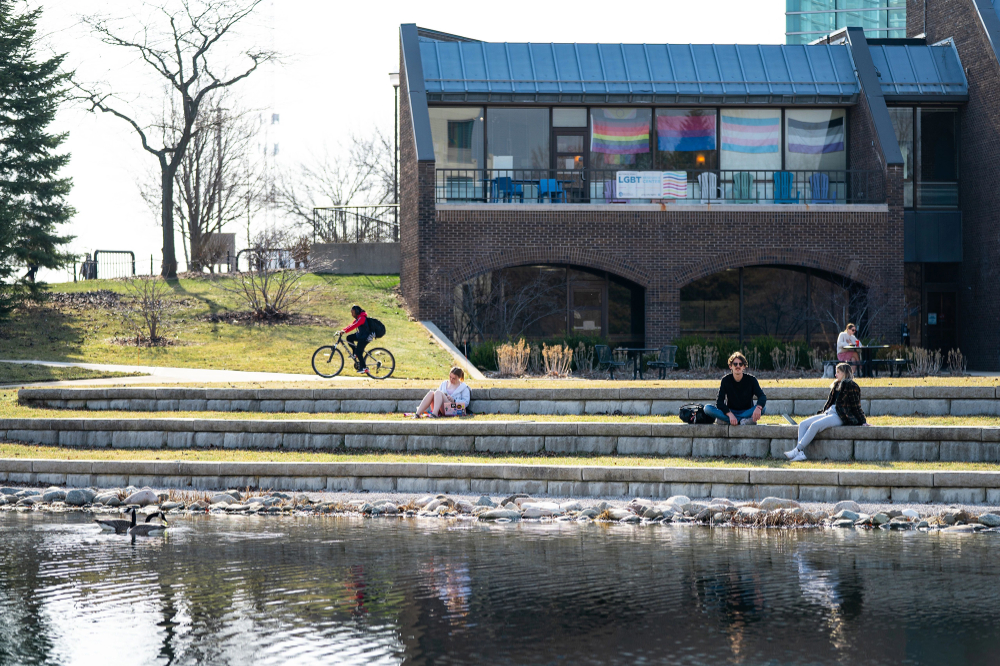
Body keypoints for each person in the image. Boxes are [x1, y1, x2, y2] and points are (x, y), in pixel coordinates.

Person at [785, 362, 867, 462]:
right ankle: (800, 454)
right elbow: (829, 403)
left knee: (815, 425)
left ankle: (797, 450)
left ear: (845, 373)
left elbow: (856, 406)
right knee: (803, 424)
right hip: (829, 412)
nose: (835, 374)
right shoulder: (836, 385)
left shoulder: (851, 385)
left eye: (838, 372)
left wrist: (863, 421)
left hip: (840, 416)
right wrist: (822, 413)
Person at [703, 351, 767, 425]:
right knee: (707, 408)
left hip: (746, 412)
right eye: (735, 364)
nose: (738, 366)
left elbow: (762, 396)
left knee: (763, 408)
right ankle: (743, 421)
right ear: (731, 366)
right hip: (730, 411)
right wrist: (730, 414)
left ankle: (729, 421)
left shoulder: (751, 380)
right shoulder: (725, 380)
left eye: (740, 364)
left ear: (744, 366)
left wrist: (758, 408)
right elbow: (719, 402)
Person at [341, 305, 374, 373]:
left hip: (365, 337)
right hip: (360, 335)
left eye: (353, 312)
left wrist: (345, 331)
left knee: (359, 352)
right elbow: (351, 325)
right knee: (349, 338)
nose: (352, 314)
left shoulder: (362, 318)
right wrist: (342, 330)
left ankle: (364, 368)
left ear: (357, 311)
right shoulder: (358, 318)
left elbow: (354, 326)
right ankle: (355, 353)